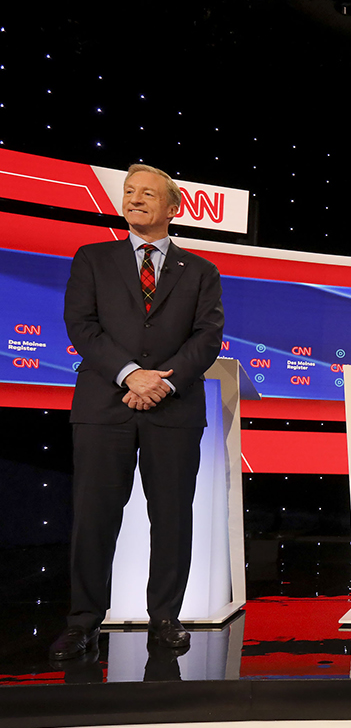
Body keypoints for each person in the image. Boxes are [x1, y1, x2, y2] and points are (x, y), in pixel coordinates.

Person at [52, 164, 225, 659]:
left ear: (173, 208)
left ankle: (165, 619)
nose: (135, 200)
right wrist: (130, 374)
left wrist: (161, 382)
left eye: (147, 193)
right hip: (104, 405)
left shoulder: (201, 272)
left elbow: (207, 337)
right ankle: (84, 622)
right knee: (94, 516)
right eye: (129, 192)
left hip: (173, 409)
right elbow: (80, 326)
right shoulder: (92, 258)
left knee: (171, 516)